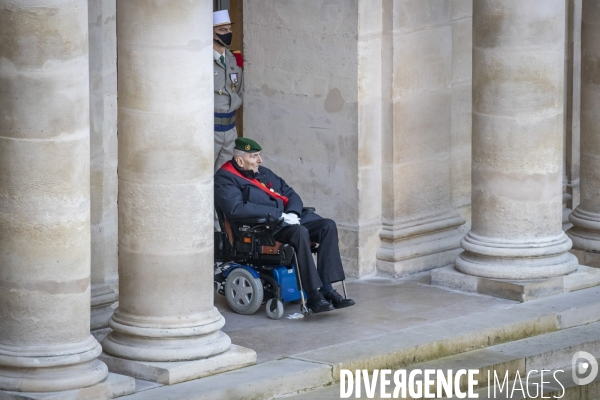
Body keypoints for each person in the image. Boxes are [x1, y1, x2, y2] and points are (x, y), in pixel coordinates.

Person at [214, 138, 355, 314]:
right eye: (255, 156)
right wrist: (278, 215)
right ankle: (312, 296)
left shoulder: (263, 172)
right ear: (240, 160)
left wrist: (293, 214)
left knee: (327, 226)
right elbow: (236, 209)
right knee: (300, 232)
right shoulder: (225, 179)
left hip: (287, 220)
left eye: (259, 155)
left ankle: (327, 289)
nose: (260, 160)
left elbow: (290, 193)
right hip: (263, 228)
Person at [213, 9, 244, 171]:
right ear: (211, 33)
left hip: (230, 129)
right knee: (205, 173)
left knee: (225, 174)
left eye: (229, 30)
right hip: (211, 130)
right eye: (222, 30)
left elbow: (238, 89)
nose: (228, 33)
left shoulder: (233, 58)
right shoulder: (203, 60)